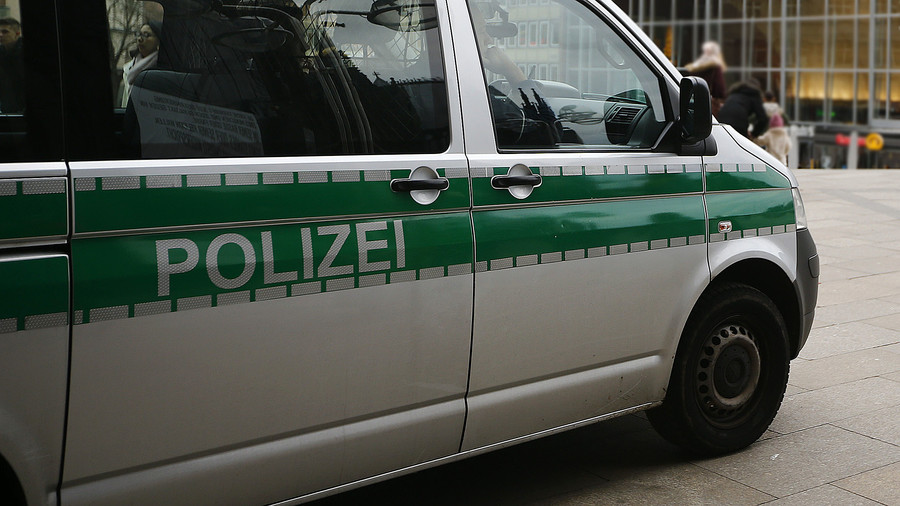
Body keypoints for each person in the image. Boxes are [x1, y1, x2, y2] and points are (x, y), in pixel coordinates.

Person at [121, 21, 161, 107]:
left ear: (158, 40)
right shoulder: (129, 68)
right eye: (139, 34)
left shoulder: (162, 68)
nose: (139, 39)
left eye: (146, 35)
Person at [685, 41, 726, 116]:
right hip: (707, 100)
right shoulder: (715, 66)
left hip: (692, 99)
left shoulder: (696, 65)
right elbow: (719, 86)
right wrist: (719, 97)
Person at [755, 91, 791, 165]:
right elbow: (787, 120)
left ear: (764, 99)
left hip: (763, 135)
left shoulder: (762, 108)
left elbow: (753, 118)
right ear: (773, 99)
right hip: (778, 137)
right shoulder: (778, 109)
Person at [0, 17, 25, 114]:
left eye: (5, 32)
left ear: (17, 34)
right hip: (7, 107)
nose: (0, 35)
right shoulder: (1, 53)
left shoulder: (25, 53)